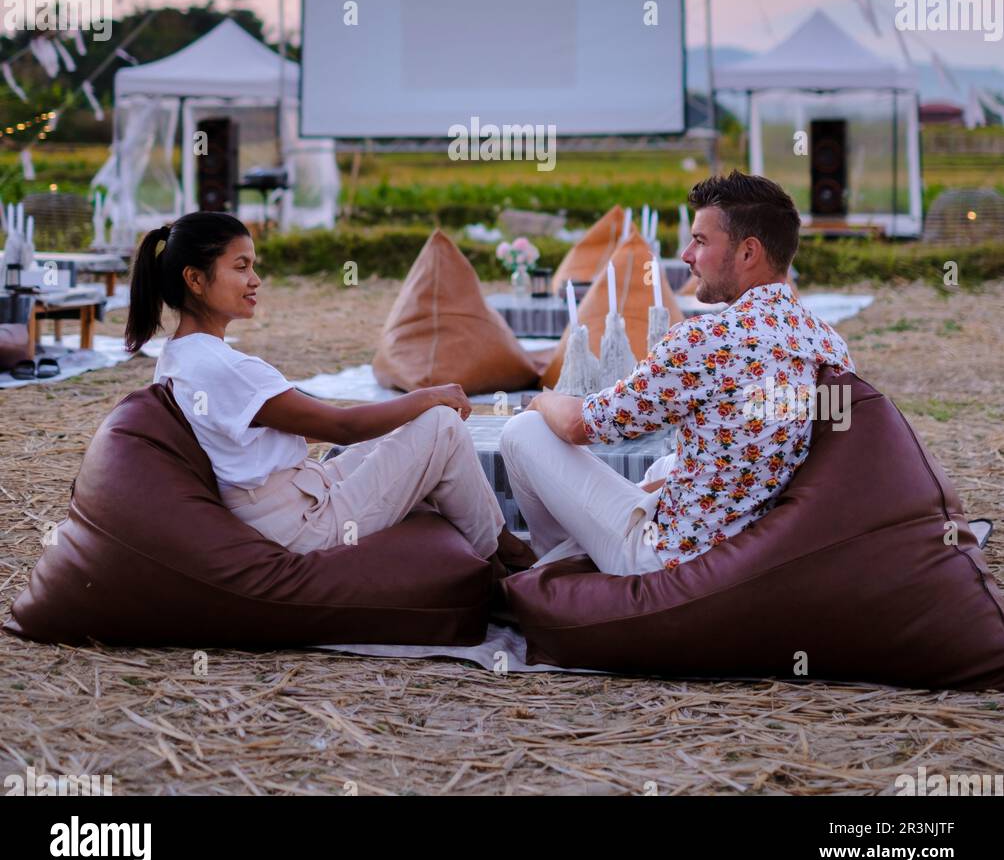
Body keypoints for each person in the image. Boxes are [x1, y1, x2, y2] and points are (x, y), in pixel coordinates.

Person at [124, 211, 535, 573]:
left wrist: (401, 419)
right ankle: (503, 558)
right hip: (301, 525)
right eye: (241, 267)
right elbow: (340, 427)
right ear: (195, 279)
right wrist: (427, 395)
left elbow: (290, 428)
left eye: (253, 266)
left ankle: (495, 550)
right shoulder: (221, 366)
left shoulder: (180, 356)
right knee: (441, 425)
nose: (255, 280)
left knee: (409, 434)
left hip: (297, 493)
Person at [500, 171, 856, 576]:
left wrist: (541, 398)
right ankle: (565, 560)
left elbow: (581, 425)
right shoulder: (827, 342)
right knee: (664, 467)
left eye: (701, 241)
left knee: (524, 432)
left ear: (747, 252)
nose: (686, 254)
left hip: (673, 552)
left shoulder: (708, 339)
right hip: (756, 534)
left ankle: (556, 573)